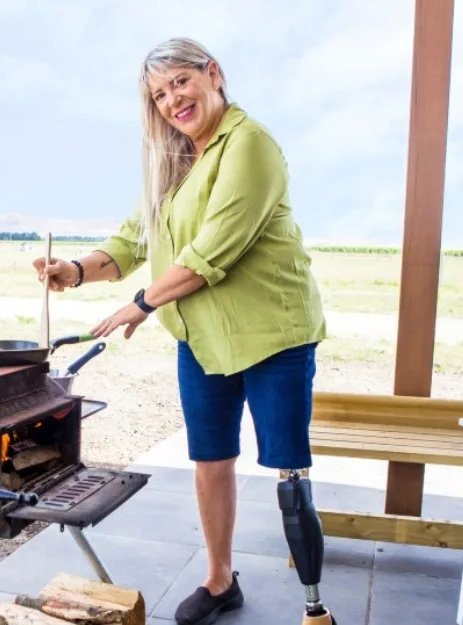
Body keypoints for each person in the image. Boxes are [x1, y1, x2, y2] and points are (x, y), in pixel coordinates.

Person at [33, 37, 327, 625]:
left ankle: (314, 604)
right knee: (210, 458)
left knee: (289, 466)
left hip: (273, 336)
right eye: (159, 94)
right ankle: (220, 582)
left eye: (180, 83)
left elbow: (212, 250)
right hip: (202, 339)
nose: (172, 100)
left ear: (212, 74)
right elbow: (131, 240)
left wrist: (140, 303)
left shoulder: (251, 145)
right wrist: (76, 270)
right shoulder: (175, 162)